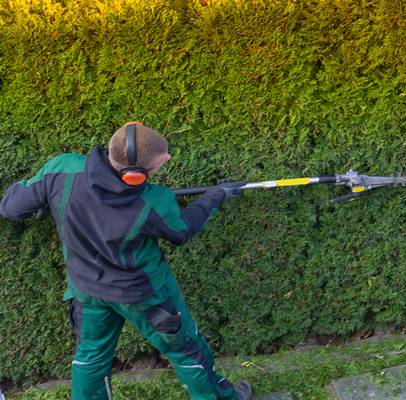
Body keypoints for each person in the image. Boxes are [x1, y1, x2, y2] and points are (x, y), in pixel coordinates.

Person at [0, 122, 251, 400]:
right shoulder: (154, 201)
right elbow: (182, 230)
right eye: (158, 165)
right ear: (134, 176)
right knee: (186, 350)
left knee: (91, 359)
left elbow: (11, 207)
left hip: (86, 291)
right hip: (145, 298)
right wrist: (214, 197)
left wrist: (46, 198)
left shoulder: (63, 169)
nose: (164, 163)